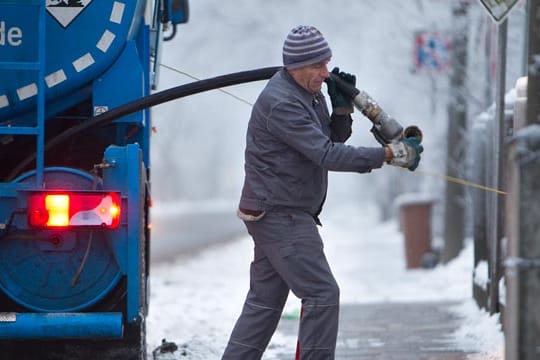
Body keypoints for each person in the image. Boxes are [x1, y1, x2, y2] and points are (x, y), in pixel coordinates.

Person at [221, 25, 423, 360]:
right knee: (321, 294)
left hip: (278, 210)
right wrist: (389, 155)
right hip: (280, 214)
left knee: (264, 304)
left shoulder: (305, 93)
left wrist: (341, 110)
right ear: (295, 66)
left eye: (326, 64)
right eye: (318, 67)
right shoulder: (281, 102)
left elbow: (329, 140)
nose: (325, 73)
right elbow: (326, 155)